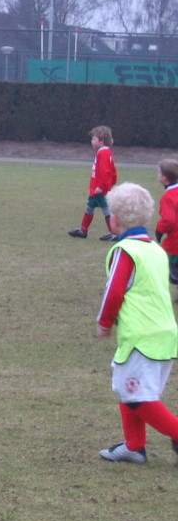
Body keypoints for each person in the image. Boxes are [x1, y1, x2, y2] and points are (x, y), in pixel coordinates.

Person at [96, 182, 178, 464]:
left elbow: (114, 291)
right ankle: (134, 446)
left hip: (142, 337)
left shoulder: (125, 250)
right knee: (128, 387)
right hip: (164, 334)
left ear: (115, 219)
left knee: (137, 397)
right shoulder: (155, 249)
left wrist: (104, 322)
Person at [68, 125, 118, 241]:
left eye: (94, 139)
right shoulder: (106, 152)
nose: (92, 141)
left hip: (99, 189)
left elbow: (105, 172)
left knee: (106, 210)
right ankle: (83, 230)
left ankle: (114, 233)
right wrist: (111, 183)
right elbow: (113, 171)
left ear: (101, 140)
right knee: (90, 208)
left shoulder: (103, 153)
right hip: (97, 189)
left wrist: (102, 186)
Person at [155, 158, 178, 300]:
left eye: (158, 172)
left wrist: (159, 230)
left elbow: (169, 220)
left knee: (166, 267)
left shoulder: (168, 196)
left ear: (164, 178)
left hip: (175, 242)